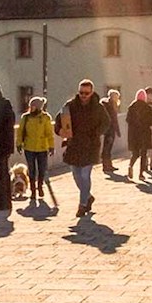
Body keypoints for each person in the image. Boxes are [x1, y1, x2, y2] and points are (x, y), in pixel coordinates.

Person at [57, 80, 111, 217]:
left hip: (90, 146)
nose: (83, 95)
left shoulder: (98, 107)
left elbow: (106, 123)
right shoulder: (70, 106)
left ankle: (82, 205)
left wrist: (96, 133)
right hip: (74, 145)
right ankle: (88, 197)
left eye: (86, 93)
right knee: (76, 176)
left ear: (91, 92)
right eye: (81, 92)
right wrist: (60, 131)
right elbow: (59, 121)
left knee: (85, 176)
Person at [18, 94, 57, 208]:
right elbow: (20, 132)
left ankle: (40, 185)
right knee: (31, 169)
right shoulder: (25, 118)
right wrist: (19, 144)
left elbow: (49, 133)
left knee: (42, 169)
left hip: (42, 147)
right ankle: (33, 190)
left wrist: (51, 146)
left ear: (38, 107)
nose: (31, 107)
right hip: (29, 147)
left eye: (33, 106)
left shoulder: (45, 118)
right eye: (31, 105)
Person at [125, 88, 152, 180]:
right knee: (143, 154)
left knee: (135, 153)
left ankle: (130, 165)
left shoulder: (131, 107)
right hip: (144, 133)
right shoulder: (148, 107)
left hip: (134, 134)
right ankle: (141, 174)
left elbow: (128, 120)